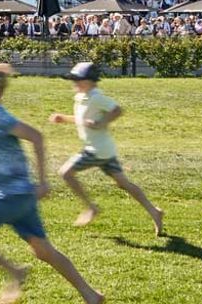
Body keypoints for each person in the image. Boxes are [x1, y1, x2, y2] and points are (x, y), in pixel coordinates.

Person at [0, 62, 101, 304]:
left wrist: (43, 181)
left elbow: (36, 137)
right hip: (22, 197)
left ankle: (14, 271)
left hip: (9, 196)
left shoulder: (1, 118)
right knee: (44, 251)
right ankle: (90, 294)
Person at [50, 62, 165, 235]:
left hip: (96, 150)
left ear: (90, 81)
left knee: (65, 173)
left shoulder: (96, 97)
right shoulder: (82, 97)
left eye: (78, 79)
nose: (74, 82)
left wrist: (102, 122)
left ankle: (91, 208)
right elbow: (84, 119)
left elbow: (117, 110)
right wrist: (65, 119)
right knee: (124, 184)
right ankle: (154, 211)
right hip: (105, 150)